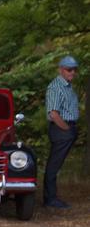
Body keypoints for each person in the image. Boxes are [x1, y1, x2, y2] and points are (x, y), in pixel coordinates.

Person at [43, 55, 79, 209]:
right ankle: (50, 199)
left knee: (57, 164)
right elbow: (53, 113)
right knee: (54, 164)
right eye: (69, 69)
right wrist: (66, 129)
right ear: (61, 70)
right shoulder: (56, 87)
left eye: (74, 69)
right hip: (61, 129)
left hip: (66, 128)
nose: (72, 72)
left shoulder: (67, 86)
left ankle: (51, 196)